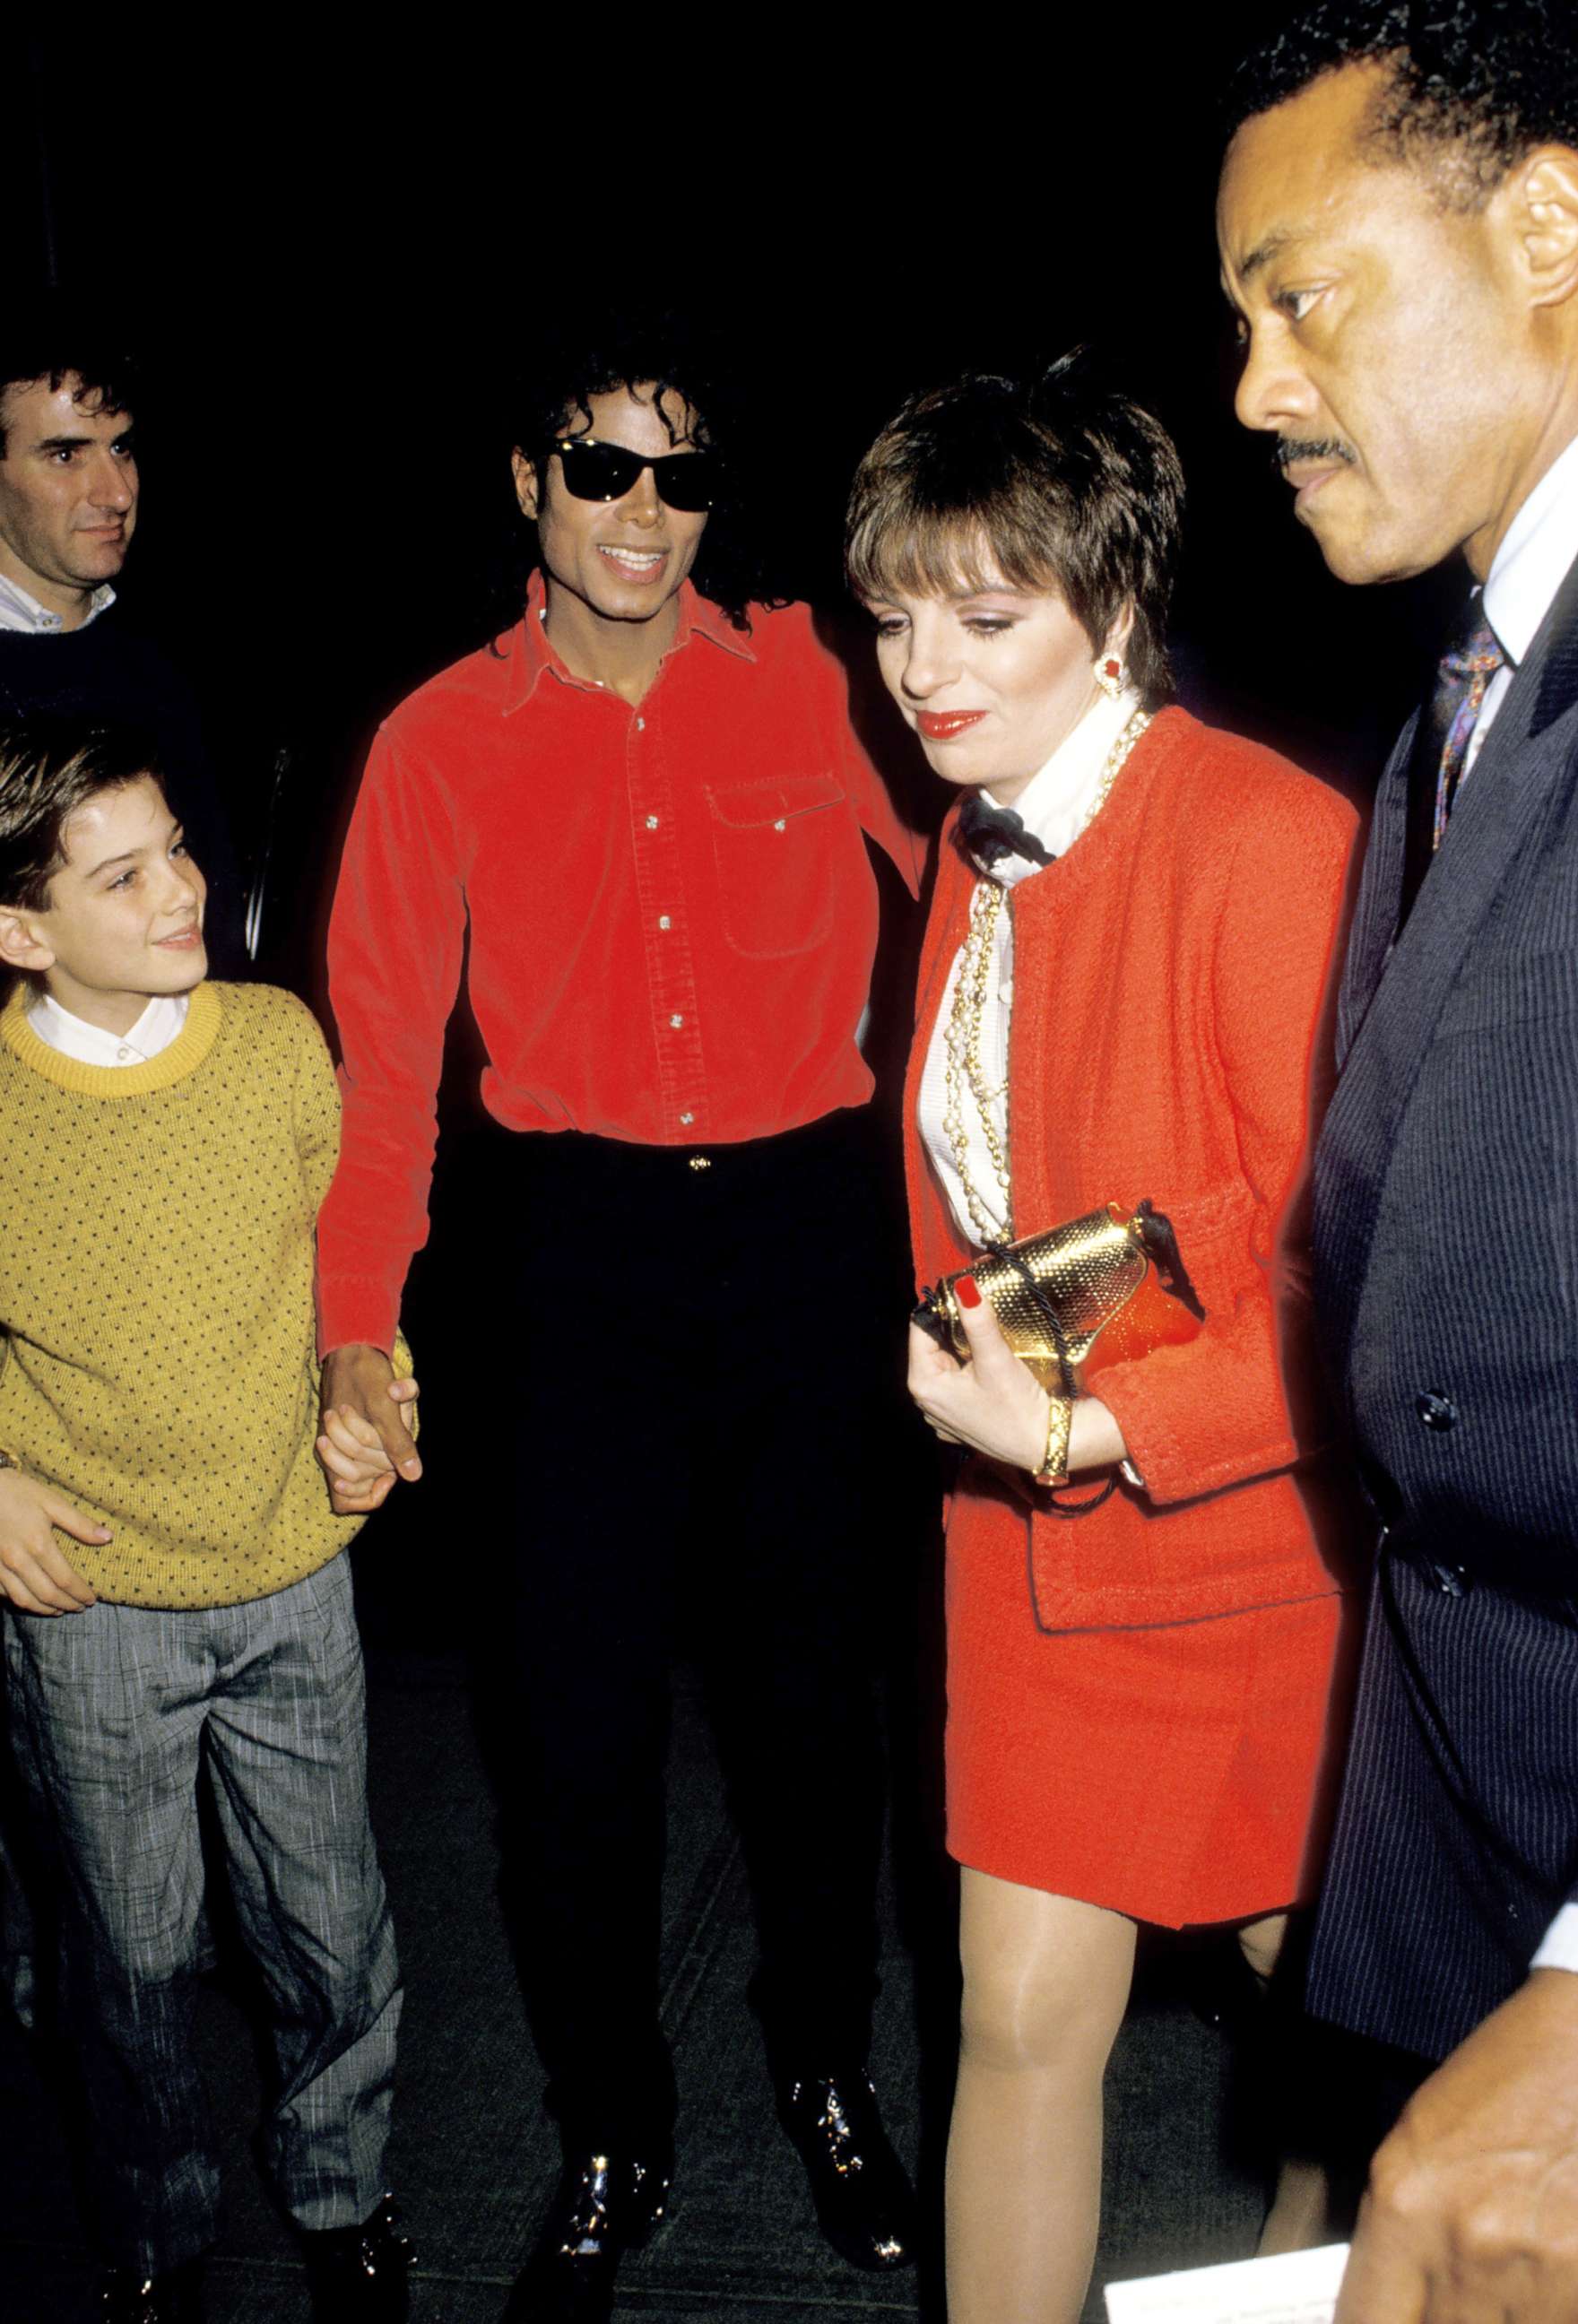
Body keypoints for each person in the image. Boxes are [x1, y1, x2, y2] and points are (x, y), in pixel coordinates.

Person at [314, 323, 928, 2322]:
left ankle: (828, 2076)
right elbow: (387, 1065)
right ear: (526, 481)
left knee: (812, 1708)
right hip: (569, 1265)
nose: (644, 517)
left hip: (804, 1241)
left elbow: (998, 875)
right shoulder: (434, 743)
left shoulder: (826, 684)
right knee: (568, 1732)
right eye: (602, 472)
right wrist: (352, 1332)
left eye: (678, 478)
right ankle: (604, 2123)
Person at [844, 355, 1358, 2324]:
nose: (922, 668)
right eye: (895, 616)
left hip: (1239, 1560)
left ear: (1118, 611)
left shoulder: (1255, 838)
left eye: (984, 618)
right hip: (1026, 1559)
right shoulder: (967, 840)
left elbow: (1341, 1276)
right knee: (1015, 2026)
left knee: (1327, 2027)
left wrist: (1093, 1431)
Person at [1221, 5, 1578, 2318]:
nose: (1250, 386)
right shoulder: (1462, 685)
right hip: (1463, 1814)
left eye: (1296, 288)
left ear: (1548, 225)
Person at [0, 719, 416, 2324]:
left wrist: (369, 1389)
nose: (184, 887)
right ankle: (157, 2228)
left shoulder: (271, 1043)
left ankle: (342, 2186)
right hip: (89, 1604)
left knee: (331, 1921)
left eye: (178, 846)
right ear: (24, 931)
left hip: (293, 1570)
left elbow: (349, 1280)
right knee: (133, 1957)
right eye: (125, 876)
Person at [0, 308, 246, 974]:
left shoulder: (173, 653)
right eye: (65, 454)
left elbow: (217, 919)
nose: (114, 492)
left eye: (121, 448)